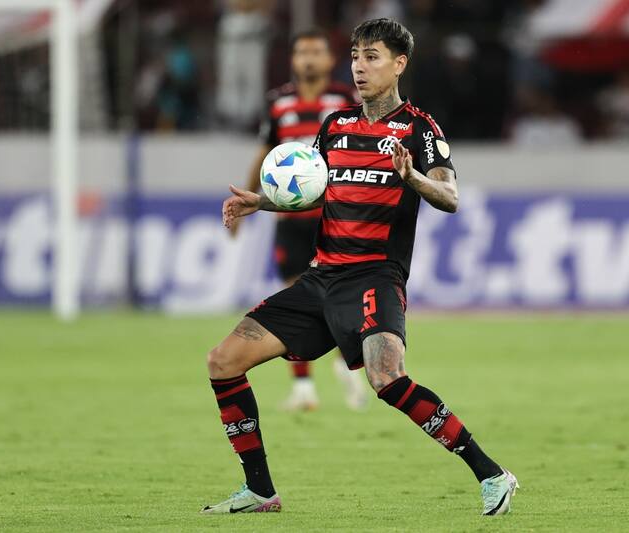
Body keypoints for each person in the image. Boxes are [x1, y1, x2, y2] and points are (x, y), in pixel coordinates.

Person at [203, 18, 518, 516]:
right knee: (223, 361)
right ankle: (260, 491)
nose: (359, 65)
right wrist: (259, 202)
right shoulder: (336, 126)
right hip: (321, 276)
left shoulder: (420, 129)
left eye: (371, 56)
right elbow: (308, 190)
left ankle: (492, 475)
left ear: (399, 63)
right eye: (354, 55)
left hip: (374, 277)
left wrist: (412, 176)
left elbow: (450, 197)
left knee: (387, 379)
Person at [230, 28, 368, 411]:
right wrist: (248, 198)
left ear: (328, 60)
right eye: (301, 52)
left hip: (332, 217)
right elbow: (264, 153)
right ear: (293, 60)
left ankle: (345, 359)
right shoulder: (278, 102)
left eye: (315, 52)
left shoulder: (344, 99)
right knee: (297, 298)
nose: (308, 58)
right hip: (290, 217)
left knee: (341, 294)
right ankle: (304, 388)